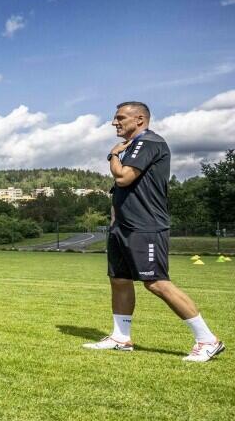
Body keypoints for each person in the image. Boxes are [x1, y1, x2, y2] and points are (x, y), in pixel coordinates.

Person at [84, 101, 224, 362]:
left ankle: (207, 340)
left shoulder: (147, 142)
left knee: (156, 282)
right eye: (115, 118)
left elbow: (123, 177)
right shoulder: (135, 146)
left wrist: (113, 155)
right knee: (120, 280)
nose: (115, 122)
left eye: (120, 118)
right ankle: (120, 338)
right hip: (123, 228)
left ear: (139, 119)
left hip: (145, 227)